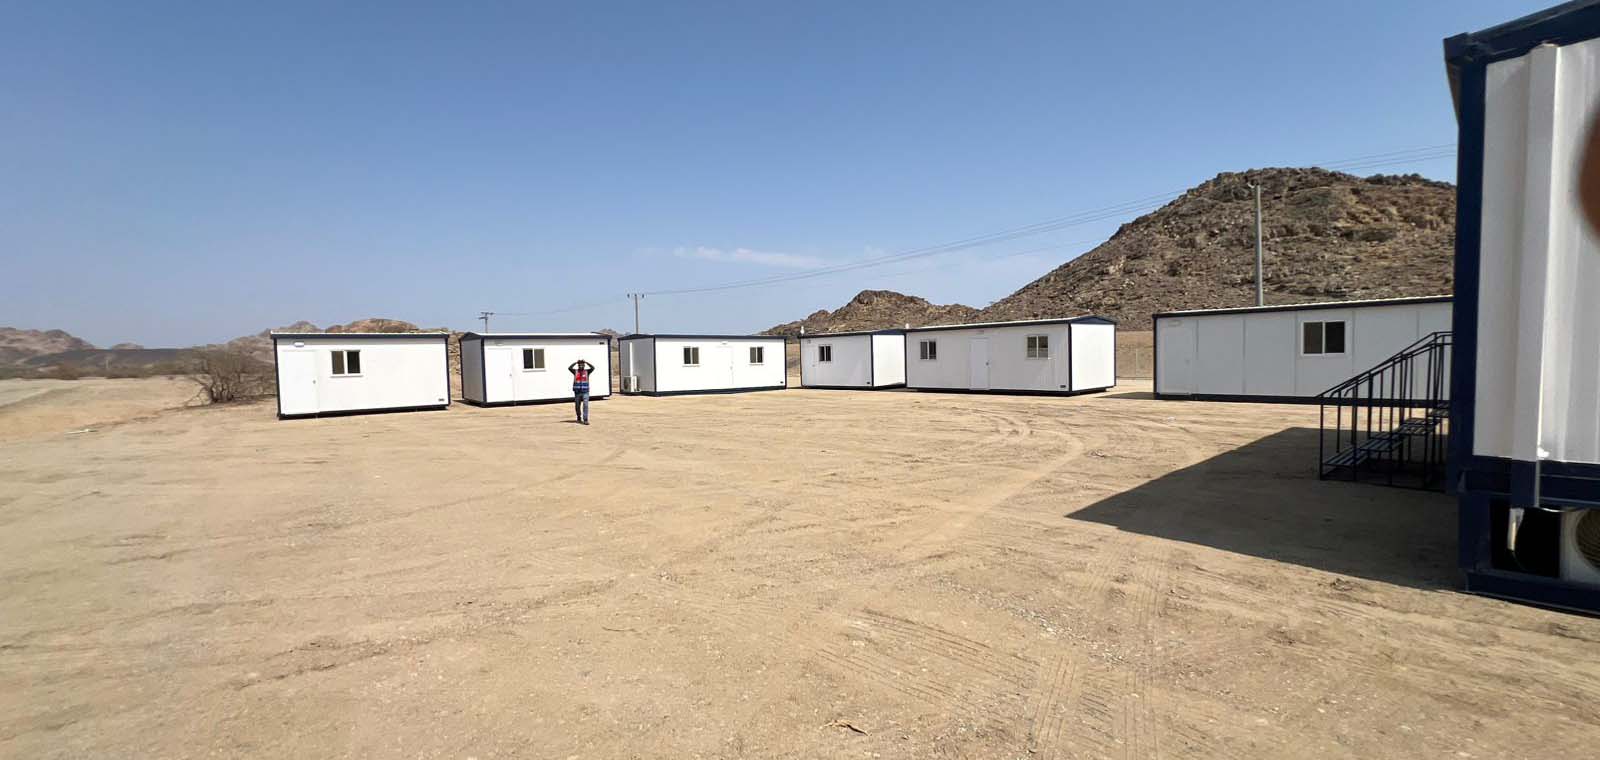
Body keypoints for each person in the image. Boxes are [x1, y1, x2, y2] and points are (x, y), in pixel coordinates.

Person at [568, 359, 595, 425]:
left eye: (582, 365)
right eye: (579, 365)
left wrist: (586, 362)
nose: (581, 366)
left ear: (584, 366)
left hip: (585, 392)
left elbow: (593, 367)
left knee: (585, 405)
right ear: (578, 366)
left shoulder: (587, 372)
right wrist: (575, 362)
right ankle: (578, 416)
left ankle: (585, 419)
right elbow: (569, 368)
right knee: (577, 406)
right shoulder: (575, 371)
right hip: (577, 392)